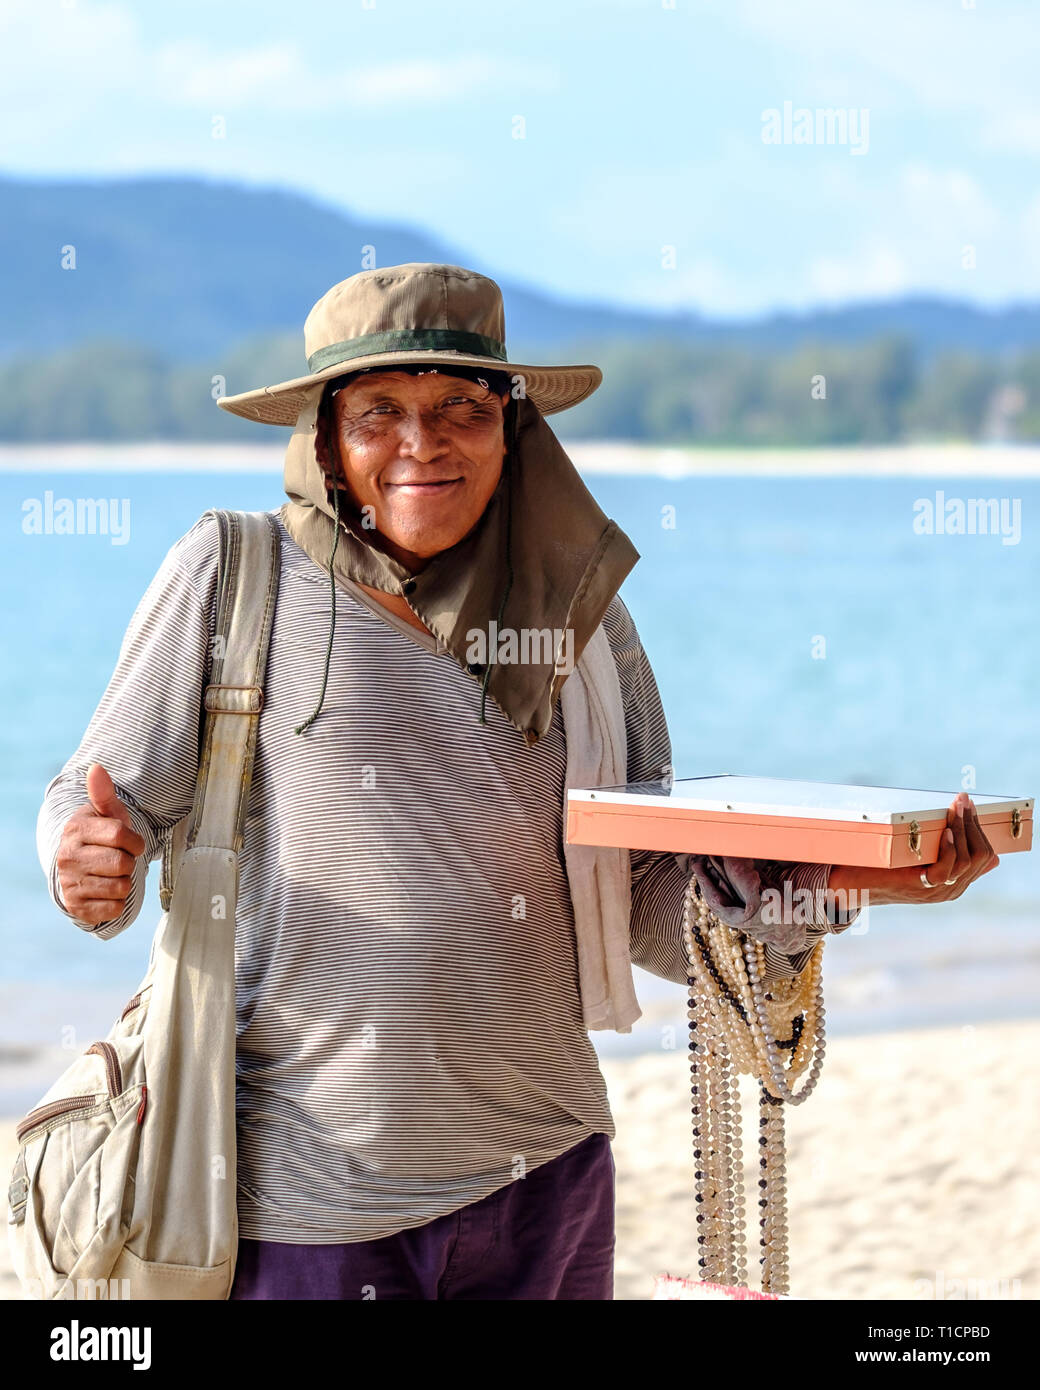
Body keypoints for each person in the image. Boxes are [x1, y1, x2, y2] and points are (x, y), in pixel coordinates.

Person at [38, 263, 999, 1301]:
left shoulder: (582, 621)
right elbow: (94, 798)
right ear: (324, 437)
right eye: (378, 414)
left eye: (460, 405)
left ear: (512, 427)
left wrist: (844, 884)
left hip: (549, 1181)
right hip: (315, 1204)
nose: (421, 442)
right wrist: (78, 858)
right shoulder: (236, 578)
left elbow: (643, 902)